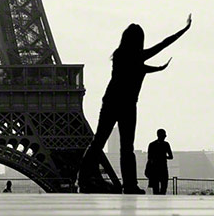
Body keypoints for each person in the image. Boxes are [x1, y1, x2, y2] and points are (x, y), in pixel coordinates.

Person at [78, 15, 191, 194]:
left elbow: (139, 68)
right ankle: (129, 184)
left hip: (111, 101)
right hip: (128, 105)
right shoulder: (138, 57)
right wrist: (184, 30)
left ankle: (82, 179)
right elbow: (163, 44)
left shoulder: (119, 55)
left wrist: (157, 68)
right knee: (127, 147)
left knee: (98, 142)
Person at [147, 129, 173, 195]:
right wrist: (164, 157)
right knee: (163, 189)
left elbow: (149, 158)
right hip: (163, 169)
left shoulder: (152, 145)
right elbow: (171, 156)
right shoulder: (166, 144)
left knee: (155, 190)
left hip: (155, 170)